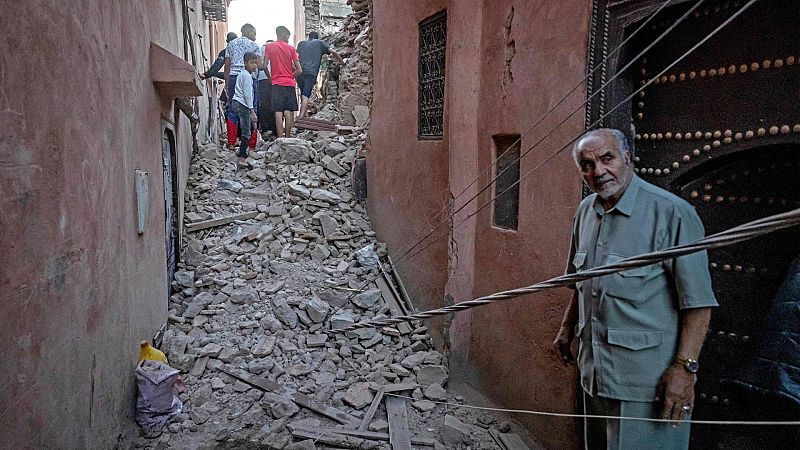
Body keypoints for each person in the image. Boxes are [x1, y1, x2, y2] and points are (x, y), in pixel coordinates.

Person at [553, 128, 718, 450]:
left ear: (627, 157)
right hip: (595, 374)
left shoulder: (672, 213)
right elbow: (579, 281)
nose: (598, 171)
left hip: (647, 384)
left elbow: (698, 303)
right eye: (587, 165)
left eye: (606, 159)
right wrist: (566, 327)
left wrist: (685, 370)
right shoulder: (586, 212)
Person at [224, 24, 261, 151]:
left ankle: (231, 143)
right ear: (249, 31)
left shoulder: (231, 44)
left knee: (232, 109)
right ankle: (251, 145)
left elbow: (227, 65)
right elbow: (259, 65)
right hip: (250, 77)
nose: (255, 37)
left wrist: (227, 83)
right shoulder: (254, 46)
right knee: (253, 109)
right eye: (254, 33)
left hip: (234, 77)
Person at [263, 26, 302, 138]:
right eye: (288, 36)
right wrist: (290, 76)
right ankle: (288, 137)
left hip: (276, 83)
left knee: (278, 111)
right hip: (289, 83)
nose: (288, 39)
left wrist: (270, 78)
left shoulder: (269, 47)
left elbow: (264, 66)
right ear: (284, 34)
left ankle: (280, 138)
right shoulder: (291, 49)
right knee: (288, 111)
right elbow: (299, 70)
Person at [296, 31, 343, 117]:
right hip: (311, 73)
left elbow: (295, 57)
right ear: (317, 37)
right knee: (306, 95)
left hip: (299, 73)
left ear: (308, 37)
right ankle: (301, 117)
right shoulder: (319, 43)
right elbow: (333, 52)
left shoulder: (301, 44)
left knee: (303, 94)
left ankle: (304, 117)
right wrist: (342, 62)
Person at [230, 52, 259, 170]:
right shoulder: (247, 76)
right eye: (251, 63)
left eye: (255, 63)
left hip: (236, 102)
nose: (254, 65)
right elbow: (248, 94)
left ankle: (242, 149)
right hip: (243, 104)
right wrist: (252, 111)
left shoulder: (242, 74)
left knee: (250, 128)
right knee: (247, 131)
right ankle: (242, 158)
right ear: (245, 63)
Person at [257, 41, 277, 140]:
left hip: (262, 79)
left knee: (264, 104)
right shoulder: (274, 48)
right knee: (273, 104)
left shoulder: (260, 49)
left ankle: (264, 129)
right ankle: (273, 129)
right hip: (273, 79)